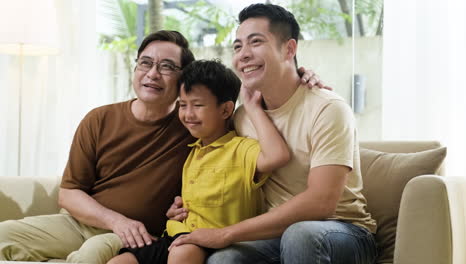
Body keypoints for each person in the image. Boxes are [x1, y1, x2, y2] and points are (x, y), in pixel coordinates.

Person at [0, 29, 320, 262]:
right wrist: (116, 220)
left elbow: (245, 98)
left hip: (141, 237)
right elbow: (68, 192)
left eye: (167, 66)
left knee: (91, 256)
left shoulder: (196, 128)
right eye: (145, 63)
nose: (153, 73)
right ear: (135, 68)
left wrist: (302, 77)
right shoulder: (99, 119)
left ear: (183, 79)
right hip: (84, 223)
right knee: (5, 234)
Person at [167, 4, 378, 264]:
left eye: (255, 43)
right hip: (273, 234)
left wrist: (226, 234)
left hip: (342, 231)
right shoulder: (242, 117)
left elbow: (322, 203)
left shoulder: (328, 109)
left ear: (289, 49)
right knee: (222, 260)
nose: (243, 55)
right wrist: (186, 204)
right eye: (237, 46)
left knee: (301, 235)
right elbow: (217, 162)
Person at [108, 59, 290, 264]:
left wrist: (253, 108)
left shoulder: (240, 149)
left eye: (197, 105)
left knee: (183, 254)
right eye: (183, 105)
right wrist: (175, 212)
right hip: (175, 235)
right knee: (119, 262)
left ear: (225, 110)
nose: (187, 114)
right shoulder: (193, 151)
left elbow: (278, 156)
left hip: (208, 243)